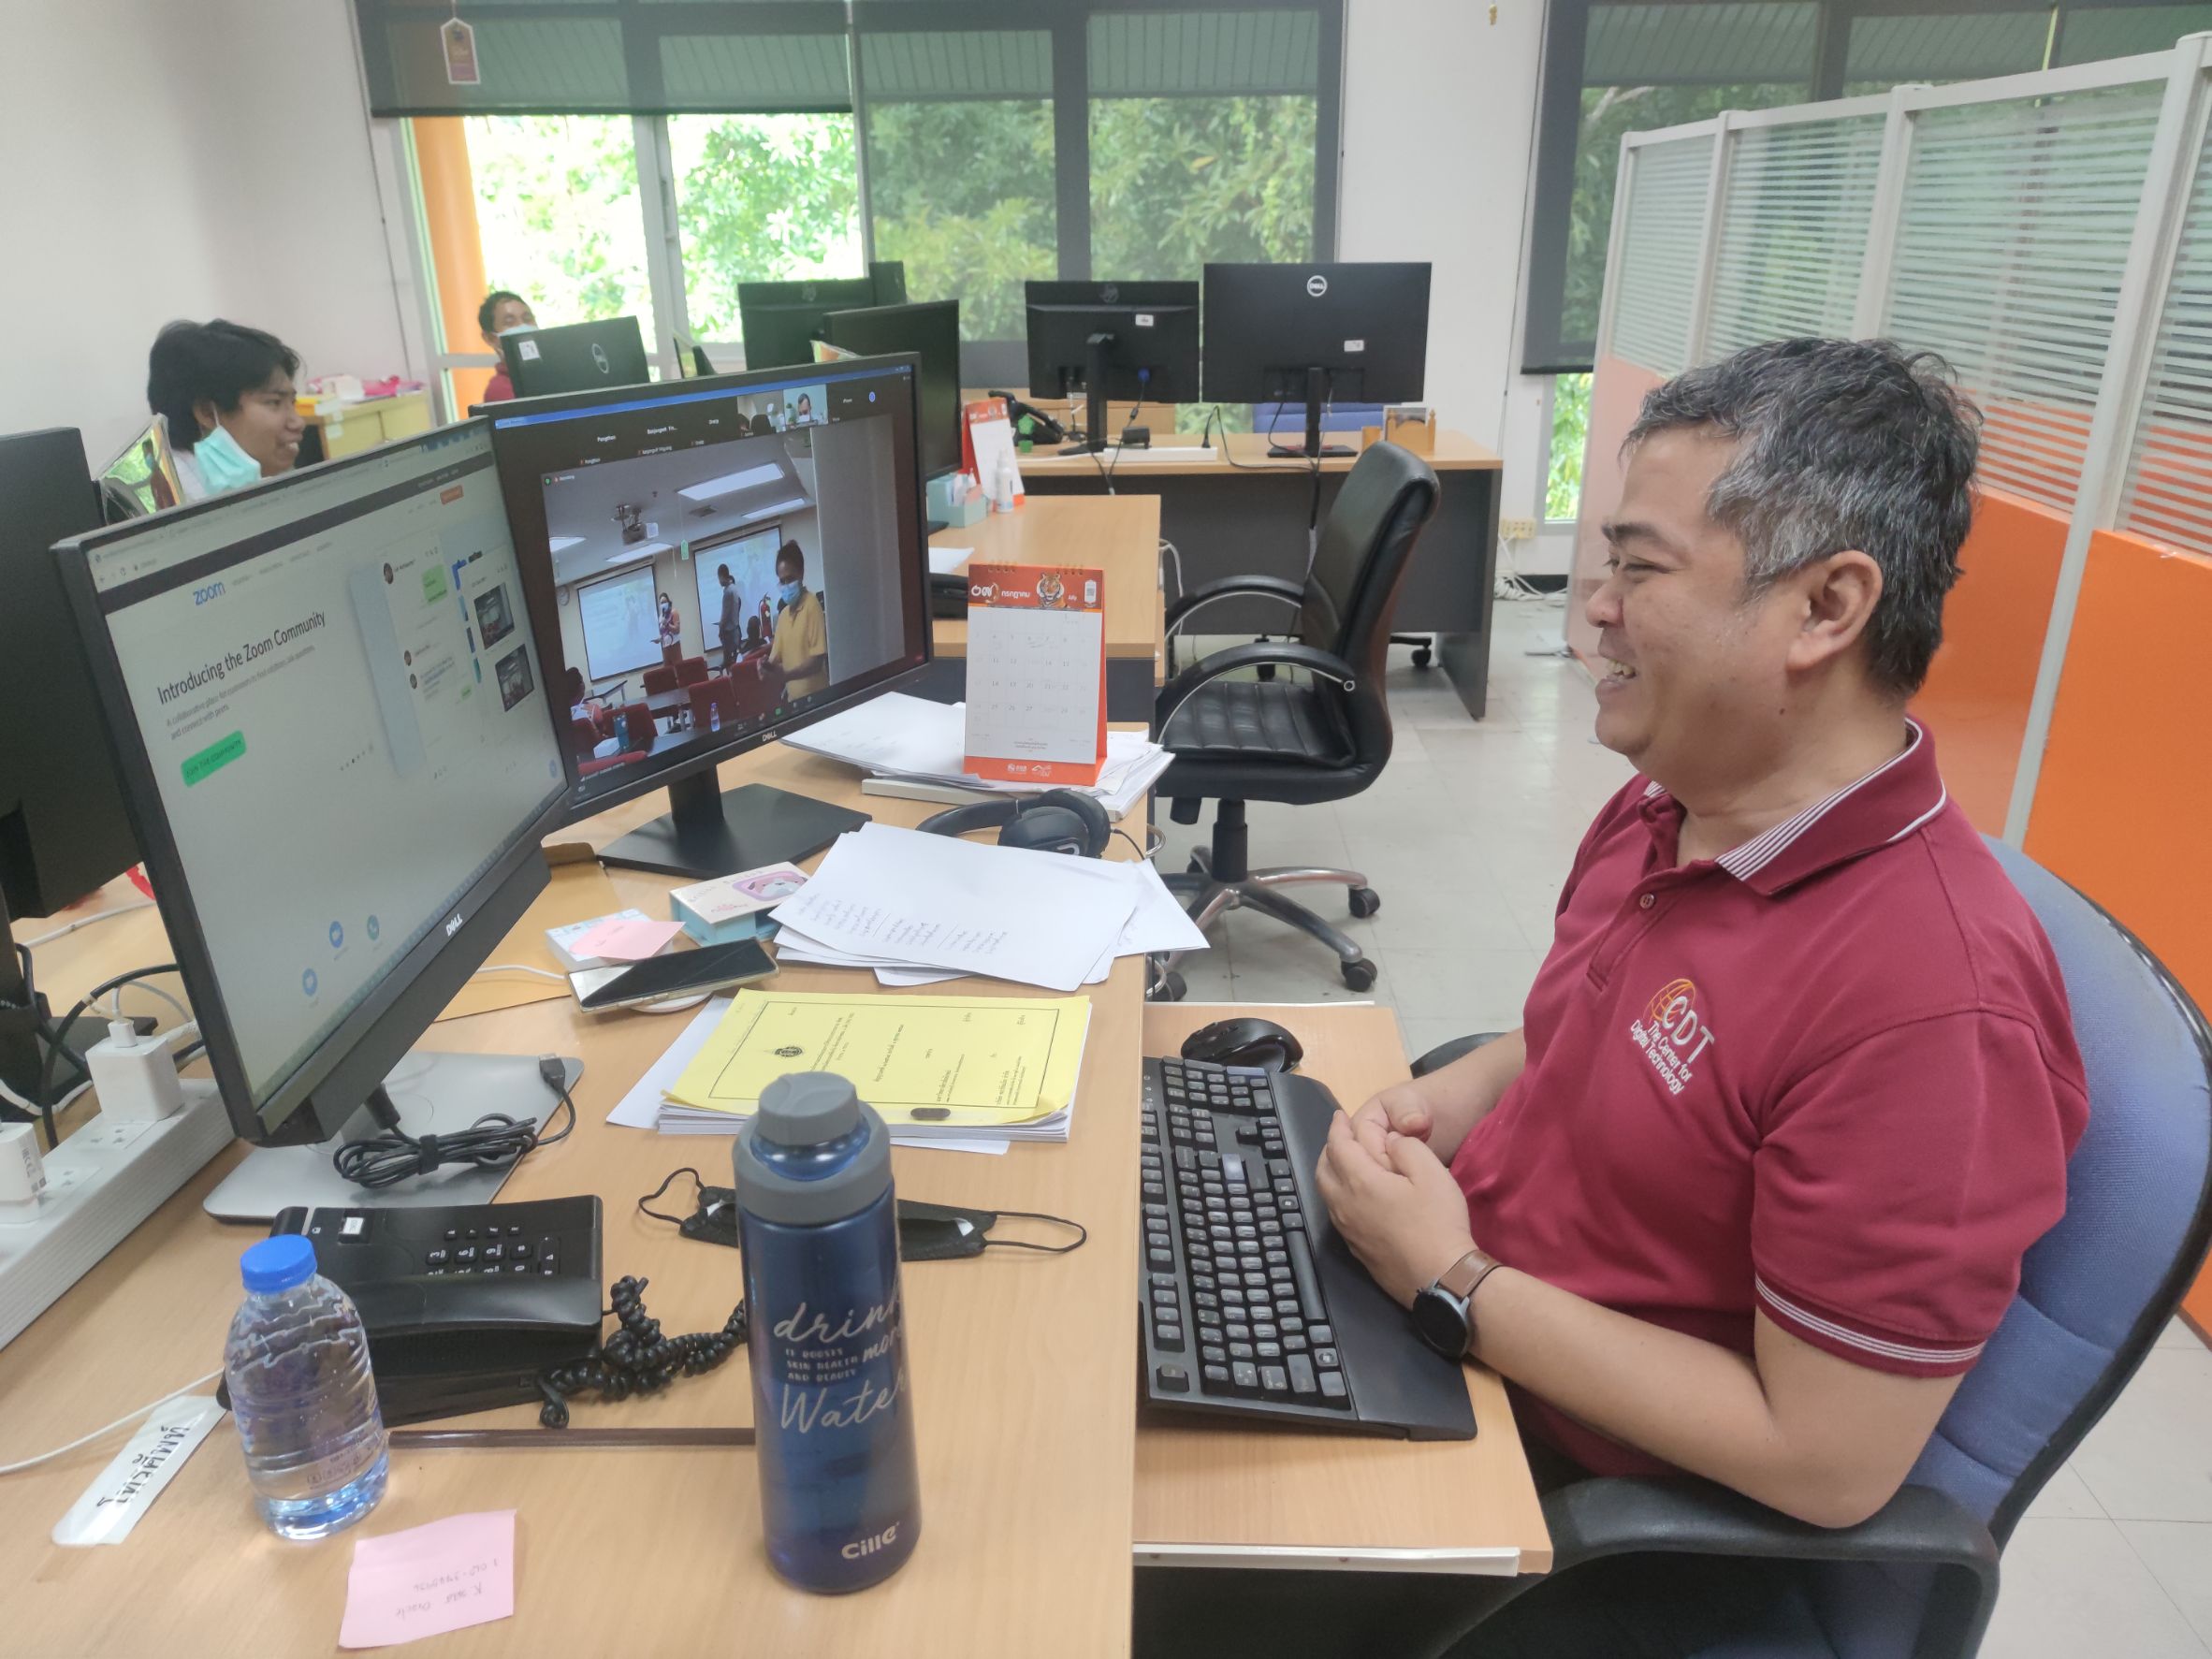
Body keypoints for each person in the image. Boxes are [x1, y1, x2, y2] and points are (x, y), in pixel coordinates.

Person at [1313, 340, 2087, 1655]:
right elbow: (1577, 1027)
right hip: (1467, 1337)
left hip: (1586, 1519)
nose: (1595, 607)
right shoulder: (1678, 801)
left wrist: (1450, 1275)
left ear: (1827, 607)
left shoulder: (1931, 1012)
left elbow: (1825, 1462)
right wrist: (1450, 1094)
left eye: (1641, 568)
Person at [146, 320, 306, 501]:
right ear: (208, 413)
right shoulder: (177, 502)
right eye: (274, 402)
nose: (298, 423)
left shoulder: (243, 482)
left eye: (292, 402)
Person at [764, 541, 828, 698]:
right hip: (794, 701)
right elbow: (774, 658)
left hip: (817, 698)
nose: (786, 585)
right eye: (782, 581)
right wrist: (764, 666)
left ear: (801, 574)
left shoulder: (812, 606)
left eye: (790, 579)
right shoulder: (783, 616)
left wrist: (787, 675)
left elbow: (816, 662)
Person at [478, 290, 536, 403]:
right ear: (490, 338)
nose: (522, 326)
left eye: (527, 319)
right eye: (509, 322)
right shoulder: (499, 391)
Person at [716, 563, 741, 671]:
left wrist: (720, 629)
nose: (719, 581)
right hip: (735, 630)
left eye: (718, 578)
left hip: (728, 633)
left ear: (722, 576)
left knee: (729, 665)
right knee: (735, 662)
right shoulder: (734, 588)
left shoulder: (728, 592)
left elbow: (725, 615)